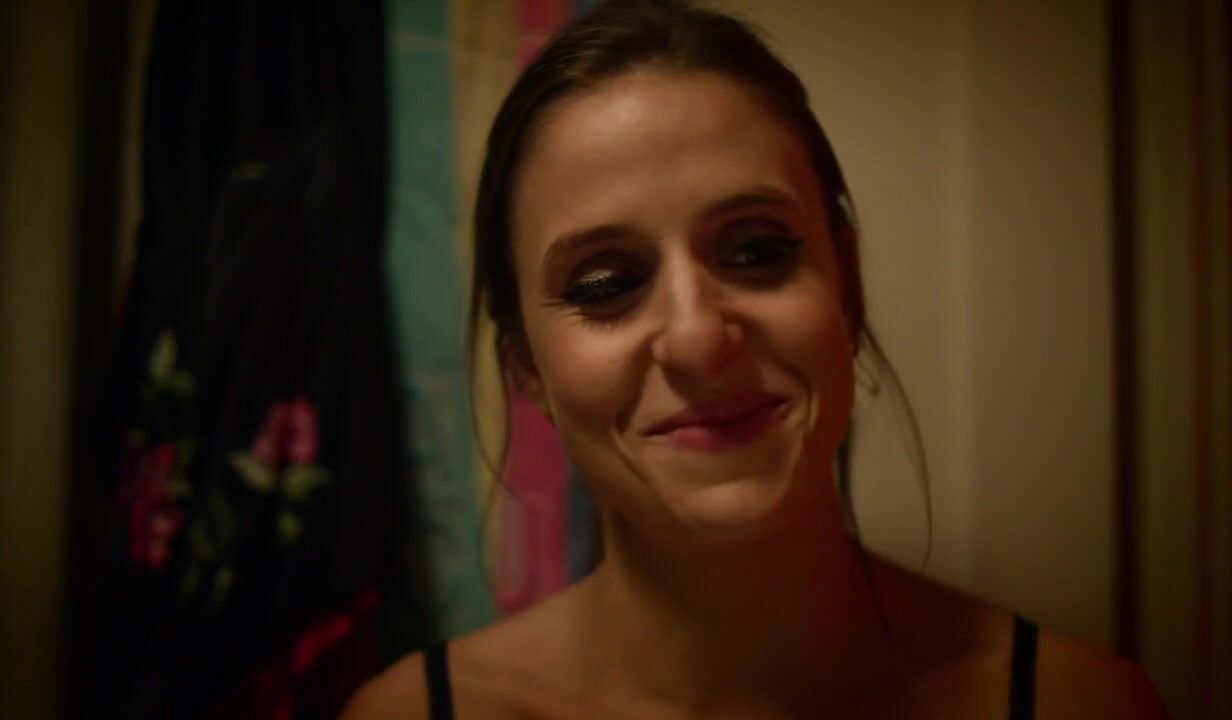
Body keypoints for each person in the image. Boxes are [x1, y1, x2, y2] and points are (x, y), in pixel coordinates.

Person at [344, 1, 1168, 717]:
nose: (699, 339)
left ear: (848, 282)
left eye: (756, 250)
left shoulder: (1079, 705)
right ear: (526, 366)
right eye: (606, 284)